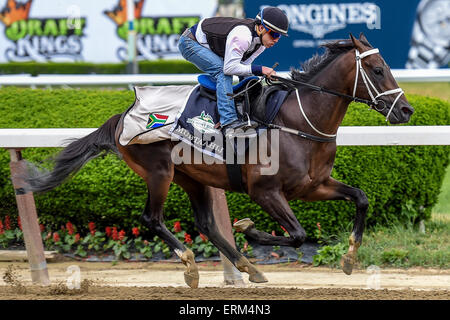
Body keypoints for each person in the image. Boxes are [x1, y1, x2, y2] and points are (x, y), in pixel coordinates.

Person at [178, 6, 289, 138]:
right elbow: (229, 68)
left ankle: (240, 114)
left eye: (279, 36)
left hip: (209, 45)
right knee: (222, 72)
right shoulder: (243, 36)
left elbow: (243, 68)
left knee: (247, 78)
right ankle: (228, 122)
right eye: (274, 34)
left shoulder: (261, 44)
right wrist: (261, 70)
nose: (276, 40)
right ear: (260, 28)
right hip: (190, 42)